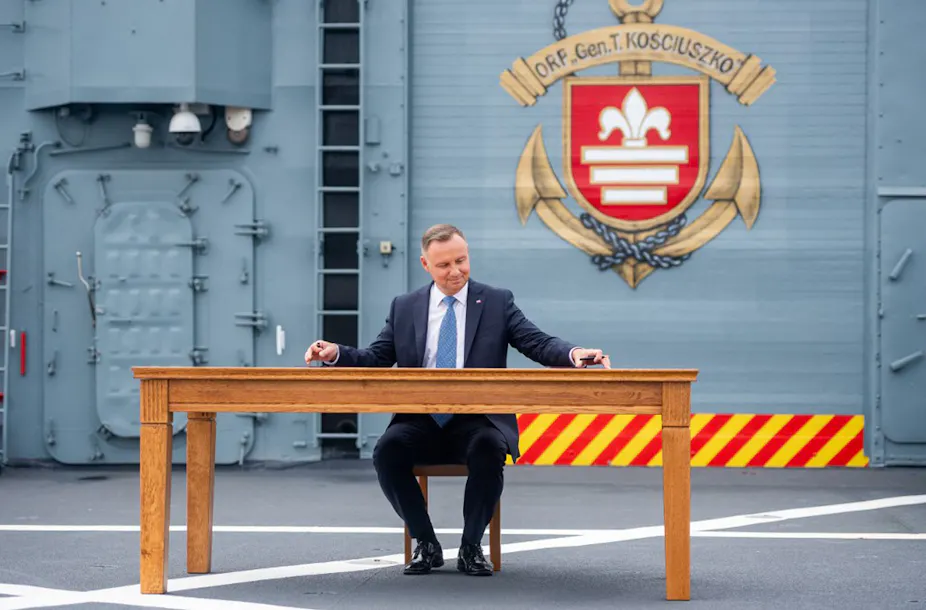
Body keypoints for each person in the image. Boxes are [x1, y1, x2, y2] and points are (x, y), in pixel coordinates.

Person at [304, 224, 610, 577]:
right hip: (420, 419)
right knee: (387, 451)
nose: (455, 271)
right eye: (444, 265)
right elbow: (376, 357)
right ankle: (426, 543)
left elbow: (536, 342)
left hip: (476, 419)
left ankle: (470, 547)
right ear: (425, 264)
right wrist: (335, 354)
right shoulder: (405, 307)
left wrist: (575, 354)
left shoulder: (497, 301)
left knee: (489, 447)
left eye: (461, 261)